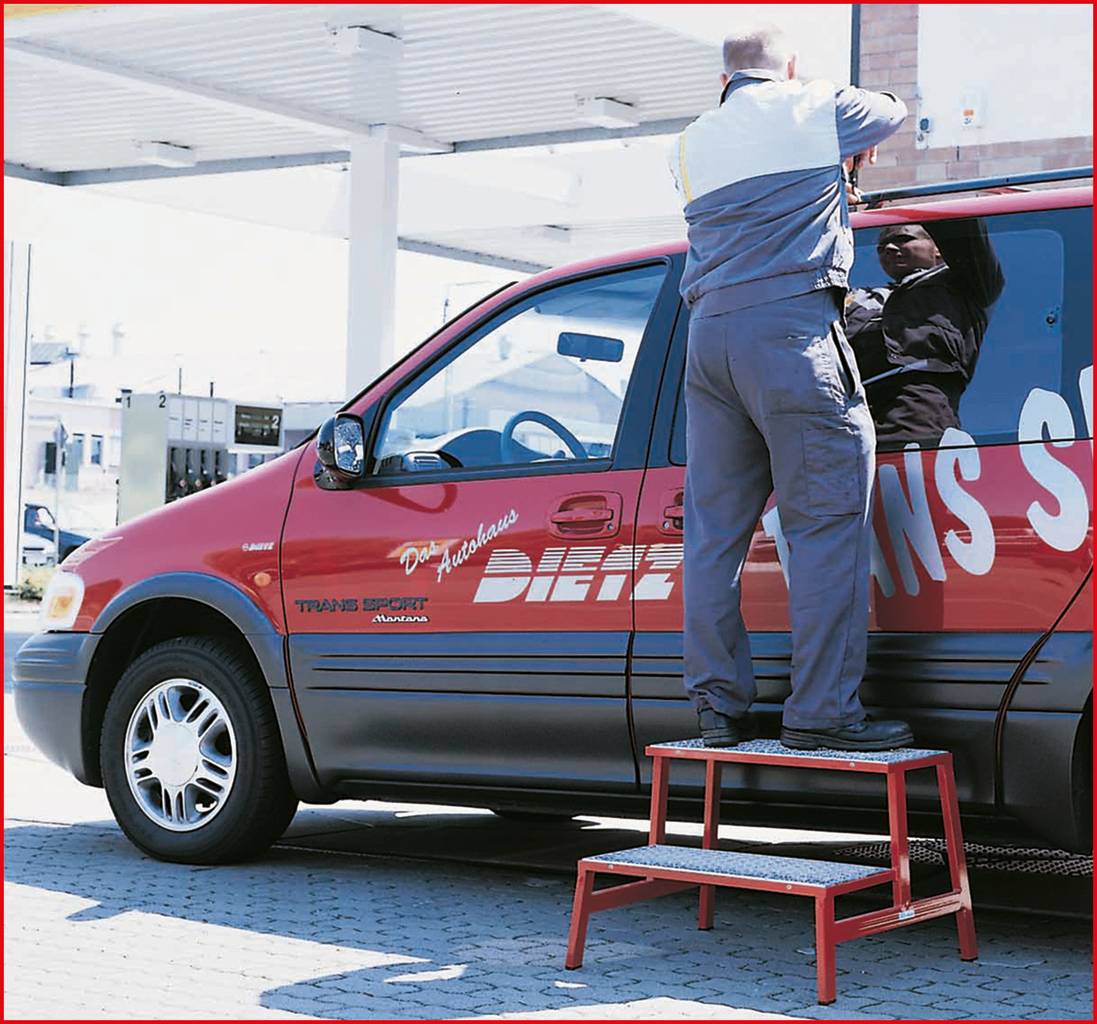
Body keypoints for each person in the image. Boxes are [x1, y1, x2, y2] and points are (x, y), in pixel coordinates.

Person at [667, 29, 913, 751]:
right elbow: (890, 109)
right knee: (824, 523)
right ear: (791, 67)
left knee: (713, 535)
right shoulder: (811, 104)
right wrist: (841, 153)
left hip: (708, 338)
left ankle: (716, 709)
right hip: (789, 332)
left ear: (722, 77)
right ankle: (823, 715)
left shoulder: (687, 143)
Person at [847, 219, 1005, 446]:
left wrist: (912, 204)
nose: (889, 249)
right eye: (882, 247)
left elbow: (961, 225)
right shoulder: (858, 298)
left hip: (918, 412)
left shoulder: (965, 286)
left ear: (938, 248)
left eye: (903, 239)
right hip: (849, 413)